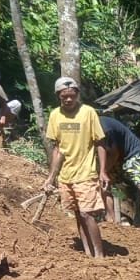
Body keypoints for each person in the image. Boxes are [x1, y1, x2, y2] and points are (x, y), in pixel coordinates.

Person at [43, 76, 108, 258]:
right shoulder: (55, 115)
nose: (69, 99)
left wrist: (102, 171)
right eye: (64, 97)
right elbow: (57, 149)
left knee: (88, 214)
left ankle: (100, 255)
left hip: (86, 173)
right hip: (66, 175)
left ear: (77, 94)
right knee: (78, 214)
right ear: (59, 96)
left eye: (72, 96)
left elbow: (100, 143)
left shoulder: (88, 113)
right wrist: (51, 177)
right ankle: (88, 253)